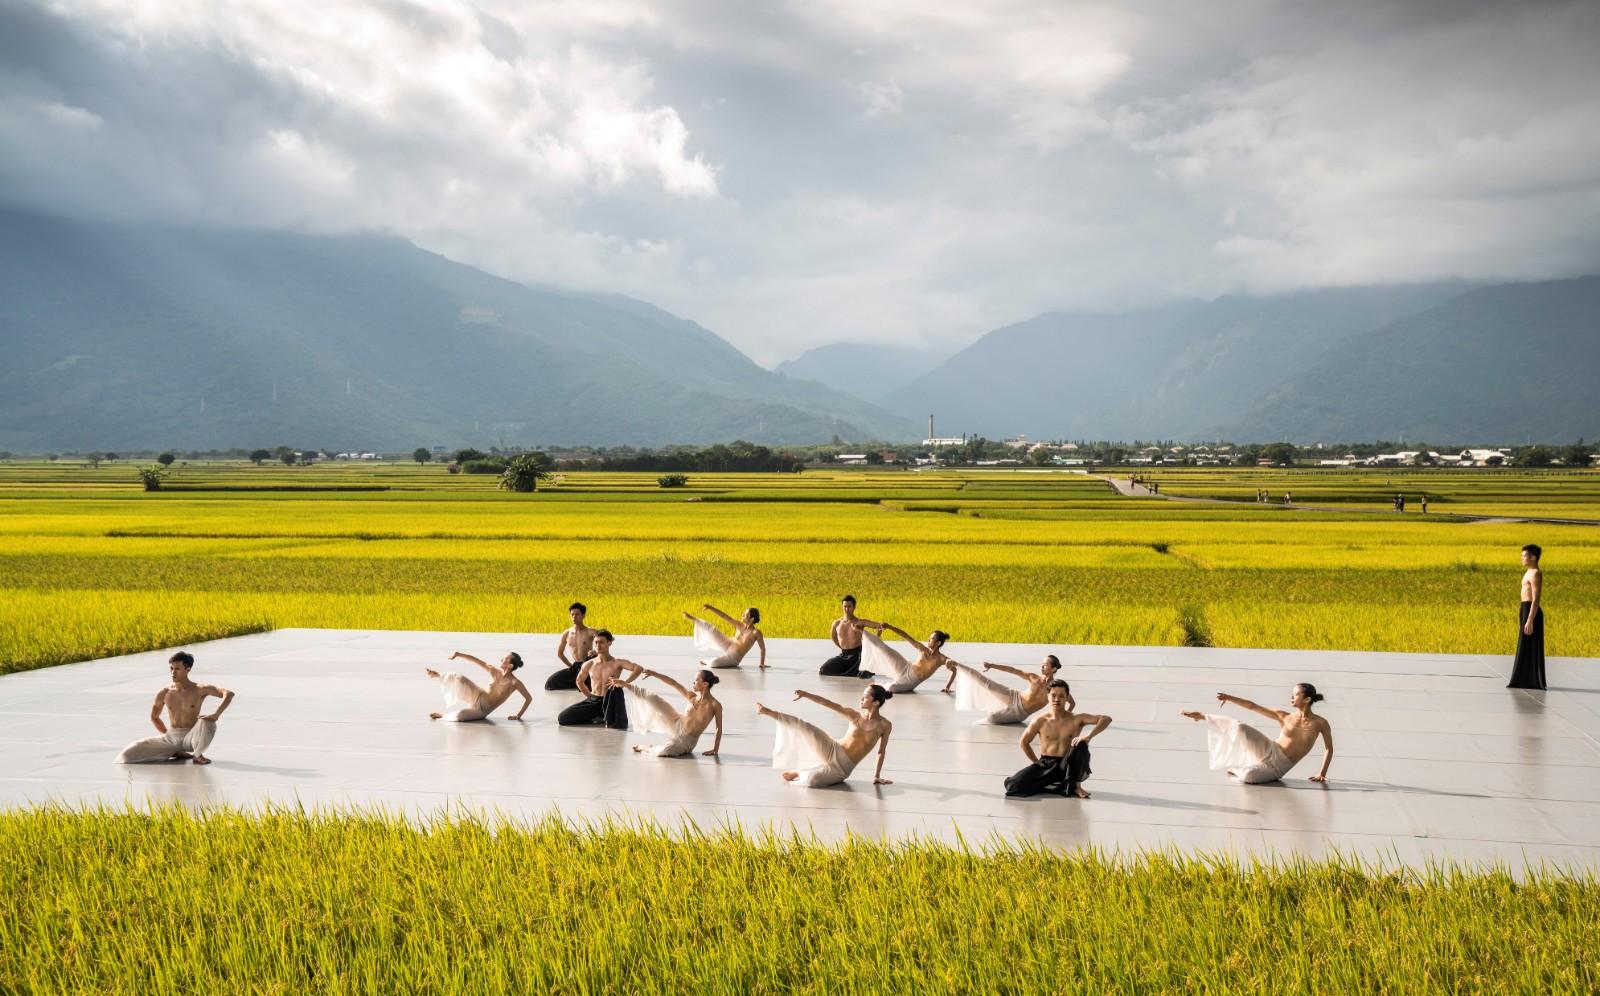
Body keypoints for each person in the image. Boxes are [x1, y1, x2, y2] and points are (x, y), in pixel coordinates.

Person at [1181, 684, 1333, 783]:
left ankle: (1237, 769)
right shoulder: (1285, 716)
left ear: (1306, 699)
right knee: (1239, 727)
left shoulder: (1320, 723)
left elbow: (1328, 749)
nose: (1291, 697)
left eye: (1296, 694)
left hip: (1278, 767)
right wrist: (1229, 697)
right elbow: (1253, 706)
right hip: (1269, 748)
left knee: (1249, 777)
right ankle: (1201, 717)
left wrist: (1322, 773)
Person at [756, 686, 894, 786]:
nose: (862, 698)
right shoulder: (854, 716)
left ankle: (799, 772)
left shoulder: (885, 725)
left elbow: (881, 752)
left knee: (812, 781)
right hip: (833, 748)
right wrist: (806, 694)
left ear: (876, 702)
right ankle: (768, 712)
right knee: (804, 727)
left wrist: (877, 776)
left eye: (866, 696)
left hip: (842, 769)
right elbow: (828, 704)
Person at [115, 651, 235, 765]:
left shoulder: (200, 689)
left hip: (192, 737)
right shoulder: (164, 692)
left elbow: (228, 693)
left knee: (208, 722)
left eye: (177, 669)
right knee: (127, 755)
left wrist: (216, 714)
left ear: (188, 669)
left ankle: (198, 755)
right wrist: (167, 735)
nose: (173, 672)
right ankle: (176, 751)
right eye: (171, 668)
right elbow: (154, 717)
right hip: (171, 737)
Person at [1003, 681, 1111, 798]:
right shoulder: (1040, 720)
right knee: (1013, 785)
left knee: (1081, 745)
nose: (1057, 699)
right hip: (1046, 763)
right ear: (1048, 696)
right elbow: (1024, 742)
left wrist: (1089, 736)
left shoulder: (1077, 718)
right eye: (1053, 695)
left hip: (1068, 763)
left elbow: (1106, 719)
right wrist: (1036, 762)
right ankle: (1058, 785)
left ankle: (1076, 786)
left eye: (1061, 696)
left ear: (1067, 698)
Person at [943, 656, 1071, 725]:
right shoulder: (1034, 678)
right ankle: (957, 664)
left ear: (1053, 669)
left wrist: (1064, 718)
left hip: (1021, 713)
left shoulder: (1056, 688)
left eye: (1045, 665)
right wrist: (992, 665)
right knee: (986, 683)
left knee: (992, 717)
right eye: (1042, 664)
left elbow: (1071, 703)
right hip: (1014, 696)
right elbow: (1013, 670)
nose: (1042, 666)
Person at [628, 668, 724, 757]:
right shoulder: (692, 696)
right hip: (677, 722)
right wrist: (654, 674)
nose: (693, 682)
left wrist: (715, 749)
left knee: (663, 752)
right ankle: (626, 685)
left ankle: (645, 748)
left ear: (705, 684)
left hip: (686, 741)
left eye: (696, 680)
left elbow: (718, 728)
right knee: (654, 700)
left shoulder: (715, 705)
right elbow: (674, 683)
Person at [557, 630, 641, 729]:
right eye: (596, 642)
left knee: (617, 726)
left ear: (609, 643)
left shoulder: (617, 662)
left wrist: (625, 682)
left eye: (601, 642)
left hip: (610, 700)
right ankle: (596, 718)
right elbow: (579, 681)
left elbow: (638, 668)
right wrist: (589, 695)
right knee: (563, 718)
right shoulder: (590, 663)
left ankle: (604, 716)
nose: (598, 645)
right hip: (594, 700)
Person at [426, 650, 531, 722]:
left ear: (510, 665)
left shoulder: (514, 683)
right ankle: (437, 674)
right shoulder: (494, 671)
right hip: (477, 695)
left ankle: (443, 715)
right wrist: (458, 654)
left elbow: (528, 698)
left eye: (504, 659)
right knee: (458, 677)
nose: (501, 659)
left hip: (482, 710)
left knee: (460, 716)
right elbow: (476, 660)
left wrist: (518, 715)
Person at [865, 623, 954, 693]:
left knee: (892, 688)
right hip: (905, 667)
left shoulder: (941, 659)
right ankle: (863, 631)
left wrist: (947, 686)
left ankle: (880, 685)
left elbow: (954, 670)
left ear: (938, 643)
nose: (928, 640)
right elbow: (906, 636)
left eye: (931, 639)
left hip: (911, 681)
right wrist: (889, 627)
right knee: (885, 650)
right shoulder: (922, 649)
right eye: (929, 638)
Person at [1508, 544, 1546, 690]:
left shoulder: (1536, 573)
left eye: (1524, 556)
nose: (1522, 558)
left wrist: (1530, 619)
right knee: (1524, 644)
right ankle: (1523, 679)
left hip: (1531, 611)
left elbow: (1536, 599)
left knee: (1529, 644)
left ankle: (1531, 680)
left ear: (1533, 557)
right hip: (1525, 609)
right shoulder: (1528, 572)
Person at [683, 604, 767, 669]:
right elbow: (724, 616)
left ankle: (709, 662)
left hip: (734, 657)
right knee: (712, 629)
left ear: (752, 619)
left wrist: (762, 663)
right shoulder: (739, 624)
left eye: (745, 615)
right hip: (728, 643)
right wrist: (710, 607)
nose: (742, 615)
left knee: (713, 664)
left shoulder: (756, 633)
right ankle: (691, 618)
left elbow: (762, 648)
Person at [820, 595, 884, 678]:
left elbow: (879, 626)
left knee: (862, 673)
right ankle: (854, 671)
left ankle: (861, 670)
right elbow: (833, 637)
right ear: (842, 606)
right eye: (845, 606)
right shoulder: (837, 623)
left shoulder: (859, 622)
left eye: (849, 606)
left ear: (854, 607)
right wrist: (841, 646)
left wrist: (875, 639)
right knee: (824, 669)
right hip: (844, 655)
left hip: (857, 655)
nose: (847, 609)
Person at [545, 602, 597, 690]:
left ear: (583, 616)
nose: (574, 617)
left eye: (577, 614)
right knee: (551, 682)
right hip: (576, 666)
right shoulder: (566, 634)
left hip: (588, 665)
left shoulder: (590, 631)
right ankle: (578, 680)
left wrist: (595, 650)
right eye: (572, 614)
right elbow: (560, 654)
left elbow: (609, 639)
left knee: (589, 685)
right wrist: (570, 666)